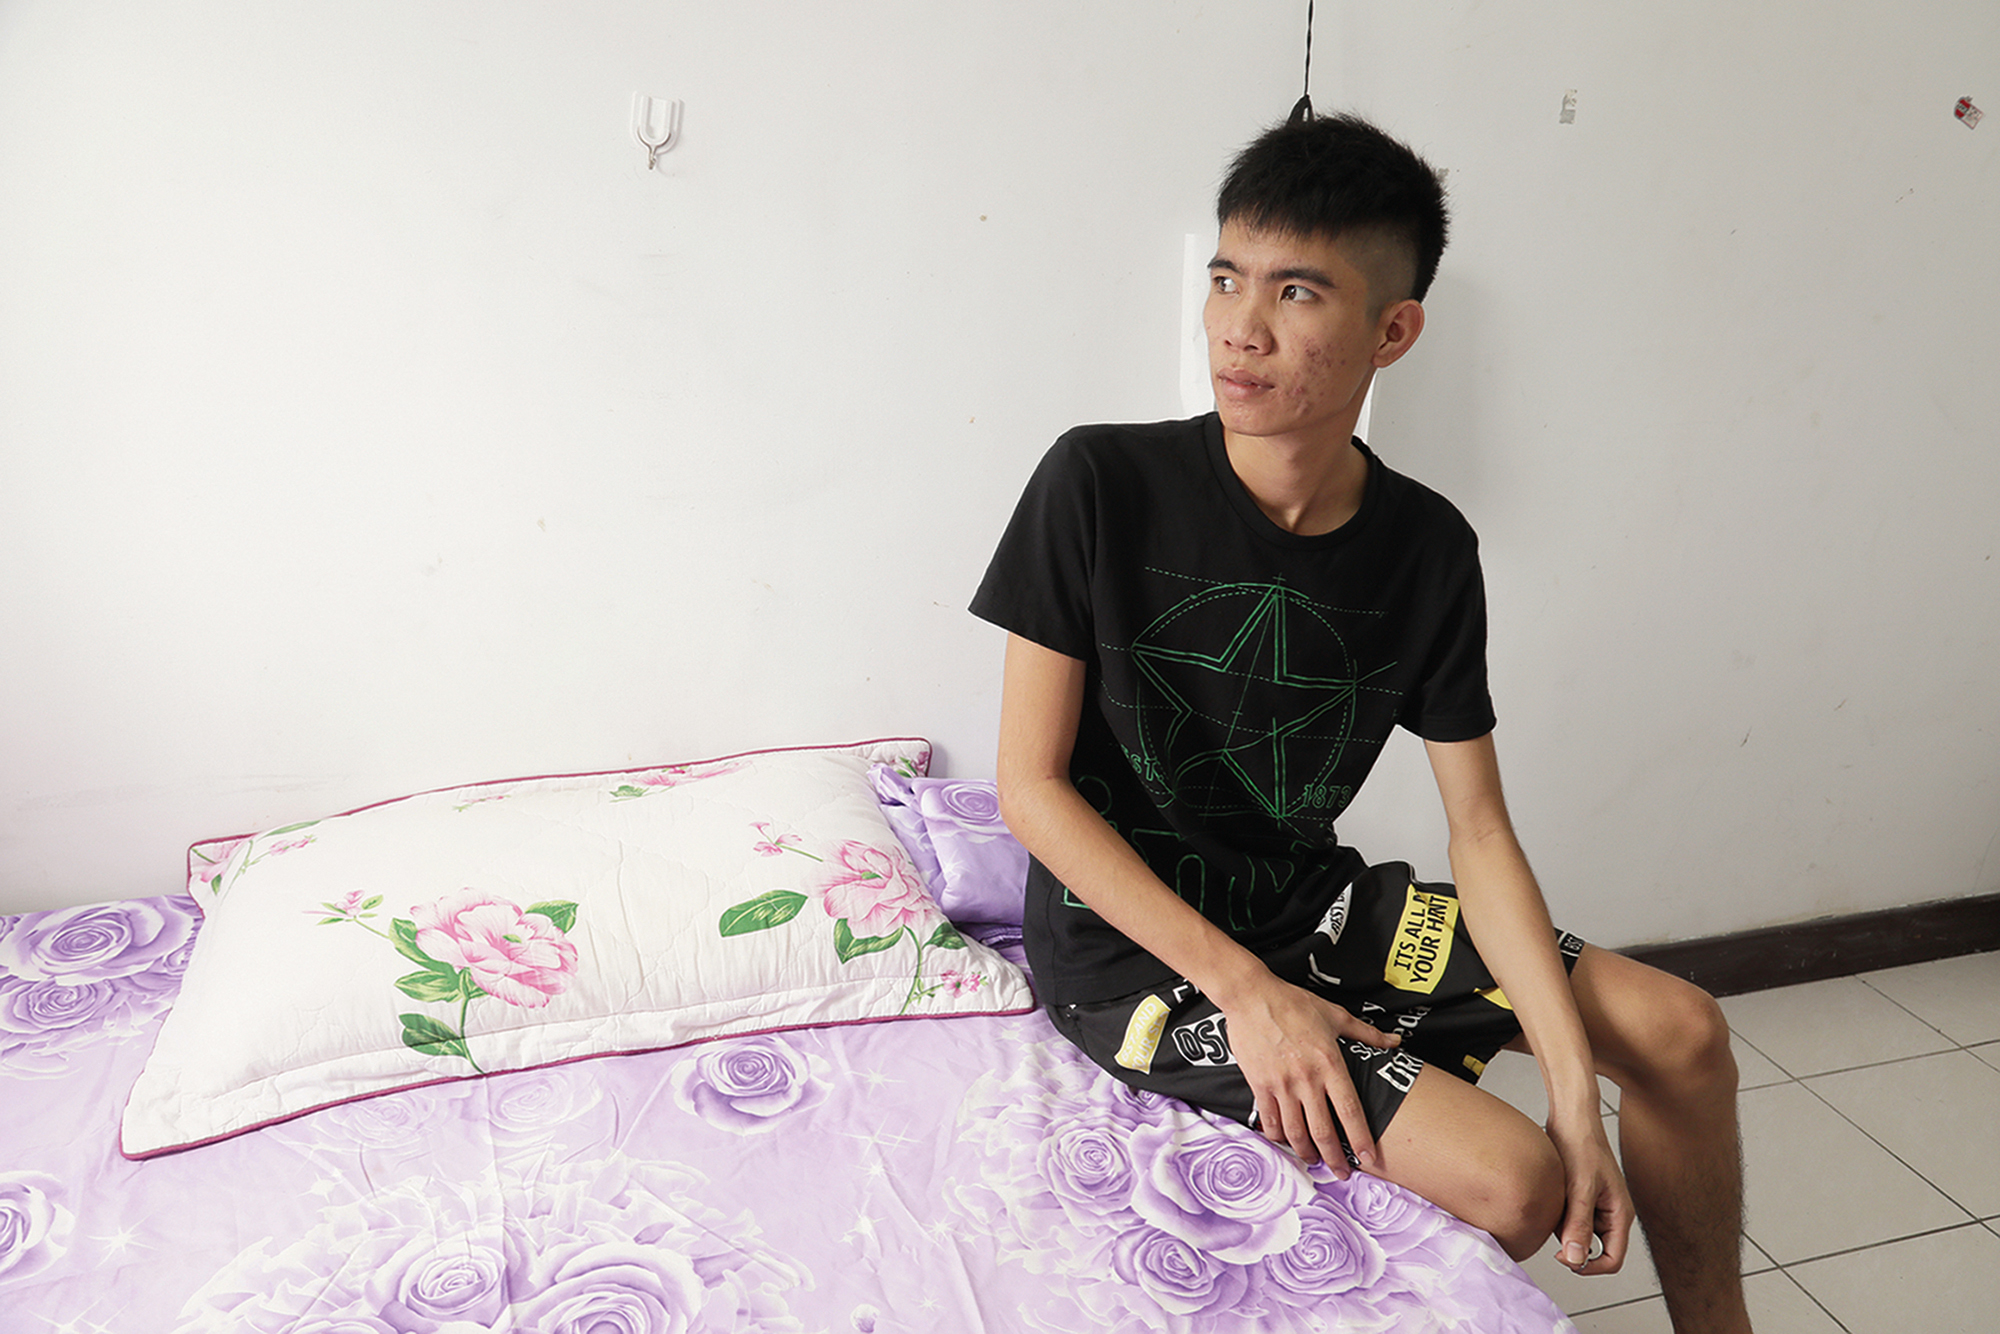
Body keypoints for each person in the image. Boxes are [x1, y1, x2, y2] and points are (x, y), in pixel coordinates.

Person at [970, 112, 1752, 1334]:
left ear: (1393, 331)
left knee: (1682, 1031)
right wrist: (1247, 992)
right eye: (1224, 277)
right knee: (1515, 1181)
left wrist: (1572, 1089)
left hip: (1309, 904)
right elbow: (1030, 788)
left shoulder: (1425, 546)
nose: (1238, 325)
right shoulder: (1097, 482)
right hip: (1128, 949)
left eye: (1294, 291)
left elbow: (1477, 830)